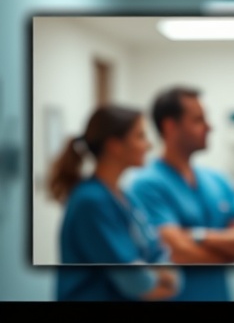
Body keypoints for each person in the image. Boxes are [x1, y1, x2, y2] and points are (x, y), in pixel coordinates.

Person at [126, 87, 234, 301]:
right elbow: (176, 252)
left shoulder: (217, 180)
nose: (209, 127)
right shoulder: (145, 185)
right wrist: (231, 250)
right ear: (170, 126)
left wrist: (197, 236)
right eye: (198, 120)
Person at [49, 104, 181, 301]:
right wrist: (154, 281)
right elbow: (136, 282)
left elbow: (159, 255)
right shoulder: (91, 202)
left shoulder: (125, 196)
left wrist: (162, 277)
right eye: (140, 136)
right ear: (115, 145)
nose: (149, 145)